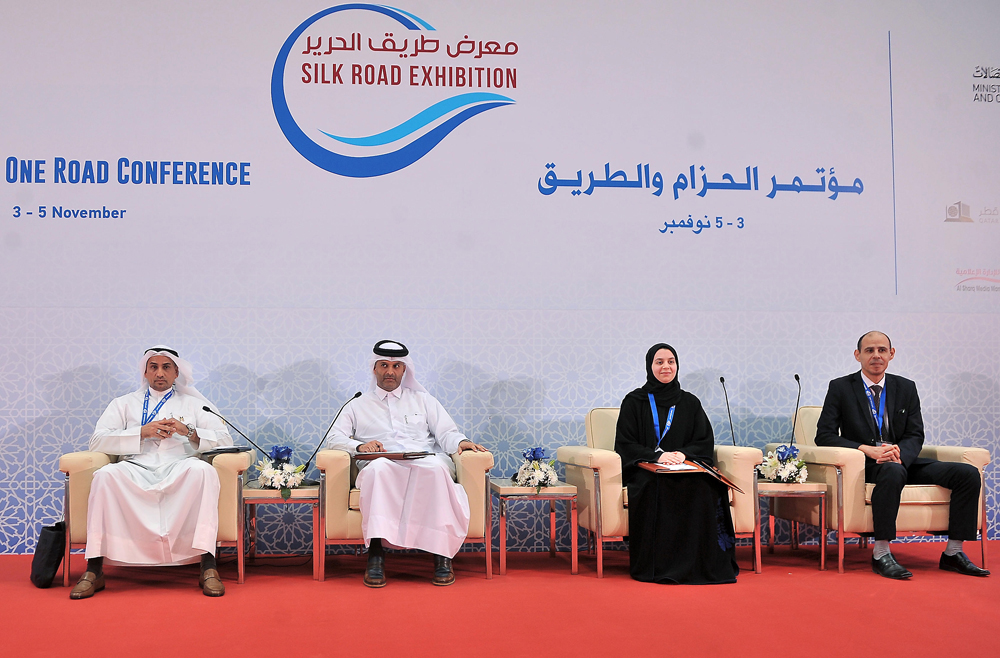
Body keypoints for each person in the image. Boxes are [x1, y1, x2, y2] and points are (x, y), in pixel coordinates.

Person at [815, 331, 988, 579]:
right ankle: (881, 553)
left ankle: (953, 553)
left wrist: (900, 455)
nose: (876, 355)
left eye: (882, 350)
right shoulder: (841, 387)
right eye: (869, 350)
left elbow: (915, 434)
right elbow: (824, 435)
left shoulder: (906, 387)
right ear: (858, 355)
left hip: (902, 461)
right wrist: (866, 450)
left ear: (891, 354)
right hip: (867, 464)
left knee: (967, 474)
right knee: (892, 471)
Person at [70, 346, 234, 599]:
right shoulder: (123, 404)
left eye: (166, 367)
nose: (160, 373)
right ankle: (94, 569)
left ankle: (208, 566)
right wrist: (141, 432)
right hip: (137, 466)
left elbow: (224, 439)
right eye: (154, 367)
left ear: (176, 372)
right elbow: (98, 441)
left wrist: (188, 430)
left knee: (203, 471)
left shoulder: (196, 405)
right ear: (145, 372)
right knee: (104, 476)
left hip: (180, 466)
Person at [324, 340, 487, 587]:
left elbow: (446, 433)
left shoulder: (424, 400)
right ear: (374, 369)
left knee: (436, 470)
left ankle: (442, 556)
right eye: (384, 365)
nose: (390, 371)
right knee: (377, 470)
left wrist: (461, 441)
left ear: (404, 370)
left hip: (423, 460)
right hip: (382, 462)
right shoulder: (357, 404)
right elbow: (334, 437)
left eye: (397, 366)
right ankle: (376, 555)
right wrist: (359, 447)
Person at [614, 343, 739, 584]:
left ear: (677, 366)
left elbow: (704, 440)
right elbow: (625, 444)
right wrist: (656, 456)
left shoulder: (689, 402)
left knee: (706, 486)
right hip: (648, 470)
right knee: (654, 485)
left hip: (685, 466)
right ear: (650, 367)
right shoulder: (634, 401)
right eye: (659, 362)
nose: (666, 367)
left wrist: (683, 454)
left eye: (671, 361)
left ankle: (701, 565)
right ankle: (660, 566)